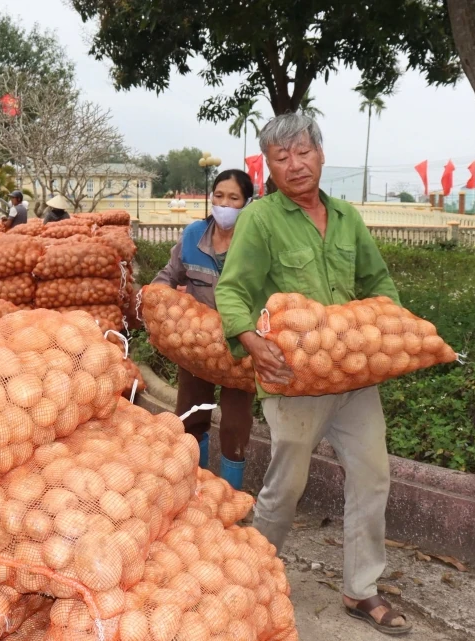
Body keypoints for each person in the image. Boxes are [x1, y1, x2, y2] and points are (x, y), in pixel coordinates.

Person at [216, 113, 409, 635]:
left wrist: (389, 331)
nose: (295, 165)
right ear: (270, 168)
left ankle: (361, 589)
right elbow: (232, 290)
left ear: (321, 155)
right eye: (281, 158)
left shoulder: (346, 218)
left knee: (372, 476)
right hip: (292, 379)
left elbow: (377, 282)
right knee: (287, 484)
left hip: (353, 380)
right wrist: (252, 342)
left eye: (303, 152)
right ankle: (259, 573)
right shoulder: (259, 220)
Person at [152, 169, 256, 490]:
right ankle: (195, 488)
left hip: (239, 348)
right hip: (196, 347)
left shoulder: (256, 243)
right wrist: (155, 297)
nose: (224, 204)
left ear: (247, 202)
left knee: (235, 426)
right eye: (219, 196)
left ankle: (229, 494)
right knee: (191, 417)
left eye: (234, 198)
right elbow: (170, 275)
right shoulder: (193, 236)